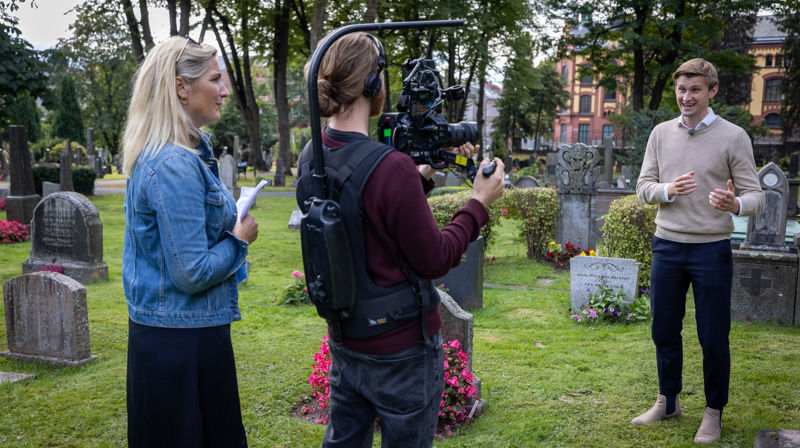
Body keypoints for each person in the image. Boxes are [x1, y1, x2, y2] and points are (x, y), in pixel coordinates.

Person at [297, 32, 505, 448]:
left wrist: (419, 176)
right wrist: (479, 203)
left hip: (346, 340)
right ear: (373, 85)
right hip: (402, 353)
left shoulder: (312, 155)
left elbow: (361, 216)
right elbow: (436, 258)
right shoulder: (390, 169)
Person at [121, 35, 259, 448]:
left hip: (178, 334)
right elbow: (191, 272)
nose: (224, 90)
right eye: (215, 79)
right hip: (180, 344)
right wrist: (239, 239)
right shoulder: (174, 163)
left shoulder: (180, 152)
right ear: (181, 86)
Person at [634, 58, 764, 445]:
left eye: (694, 90)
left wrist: (735, 204)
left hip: (711, 250)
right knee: (663, 330)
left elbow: (756, 196)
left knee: (713, 335)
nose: (686, 97)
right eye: (681, 89)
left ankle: (713, 411)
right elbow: (643, 188)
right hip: (667, 246)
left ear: (712, 91)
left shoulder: (734, 137)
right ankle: (668, 401)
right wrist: (668, 190)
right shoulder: (660, 134)